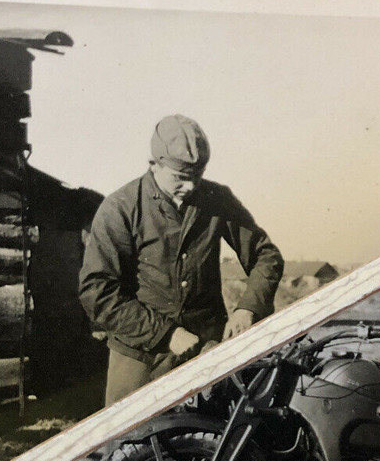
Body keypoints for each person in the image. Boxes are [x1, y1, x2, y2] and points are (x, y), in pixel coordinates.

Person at [79, 114, 284, 405]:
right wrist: (166, 334)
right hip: (140, 357)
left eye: (197, 177)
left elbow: (266, 255)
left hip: (207, 355)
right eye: (180, 178)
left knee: (217, 443)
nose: (189, 187)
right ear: (154, 164)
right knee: (130, 447)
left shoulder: (217, 199)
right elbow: (96, 293)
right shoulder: (120, 208)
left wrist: (248, 308)